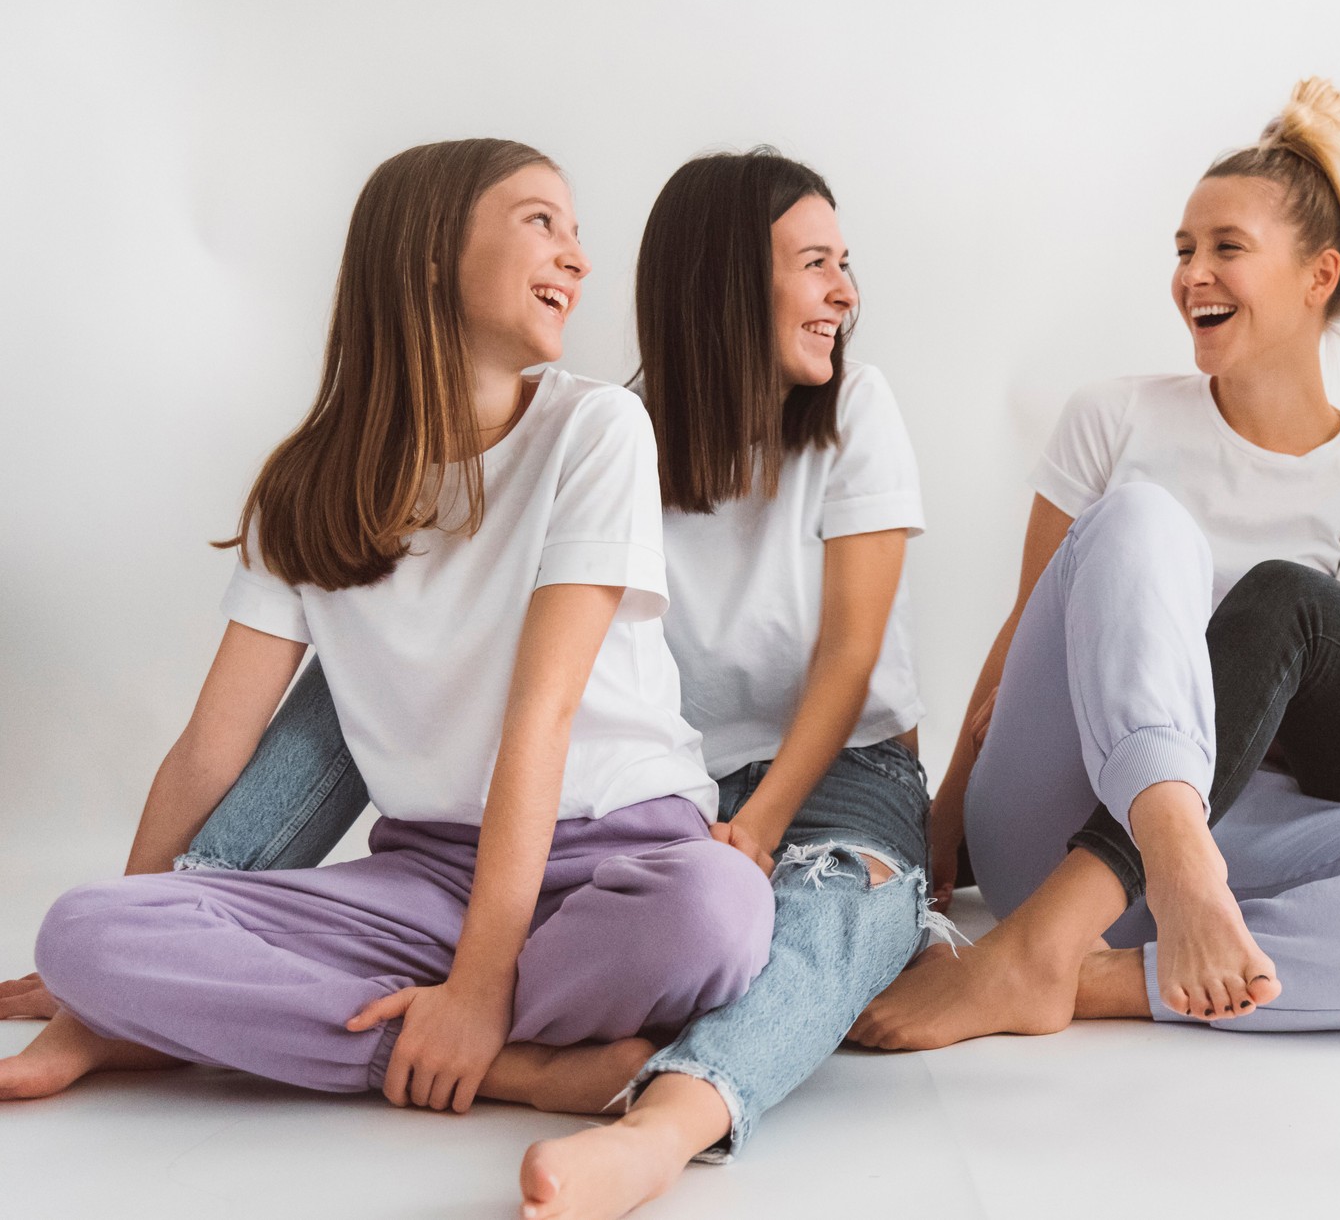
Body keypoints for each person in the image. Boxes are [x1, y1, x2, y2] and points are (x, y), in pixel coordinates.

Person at [1, 147, 939, 1219]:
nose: (579, 258)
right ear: (433, 255)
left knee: (720, 912)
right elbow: (209, 750)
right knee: (84, 928)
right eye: (544, 223)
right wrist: (113, 974)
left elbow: (541, 714)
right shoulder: (305, 487)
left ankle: (410, 1031)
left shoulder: (595, 429)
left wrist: (484, 988)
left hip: (618, 852)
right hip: (434, 880)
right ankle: (513, 1070)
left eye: (575, 231)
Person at [853, 78, 1340, 1052]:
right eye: (1184, 250)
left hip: (1234, 857)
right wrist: (935, 831)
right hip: (1054, 832)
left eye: (1227, 248)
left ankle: (1083, 974)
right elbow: (1026, 640)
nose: (1194, 274)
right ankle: (1147, 869)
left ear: (1320, 274)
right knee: (1144, 520)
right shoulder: (1116, 415)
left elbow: (1331, 723)